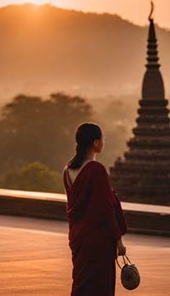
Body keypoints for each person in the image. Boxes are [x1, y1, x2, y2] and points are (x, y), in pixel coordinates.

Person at [63, 122, 128, 296]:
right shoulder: (96, 170)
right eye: (102, 138)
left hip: (78, 236)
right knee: (100, 286)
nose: (103, 141)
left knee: (82, 285)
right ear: (95, 143)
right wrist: (118, 239)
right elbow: (106, 209)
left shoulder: (67, 170)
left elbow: (73, 206)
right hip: (98, 239)